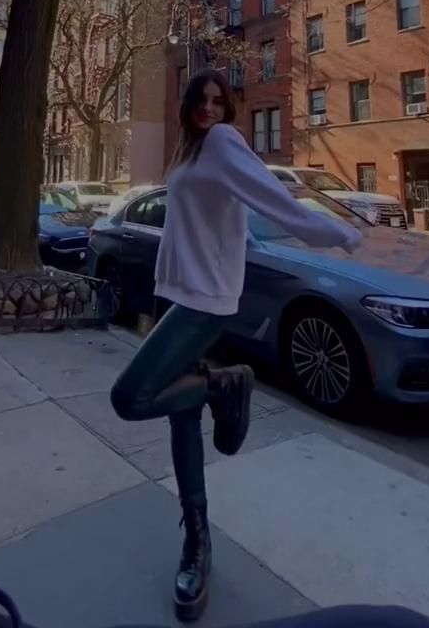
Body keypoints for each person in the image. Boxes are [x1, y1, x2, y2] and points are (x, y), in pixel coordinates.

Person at [110, 70, 364, 622]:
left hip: (204, 301)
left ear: (228, 108)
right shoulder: (191, 150)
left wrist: (341, 232)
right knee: (178, 415)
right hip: (177, 294)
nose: (207, 107)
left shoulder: (224, 142)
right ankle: (197, 542)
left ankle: (223, 382)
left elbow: (274, 198)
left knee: (129, 398)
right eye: (200, 99)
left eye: (217, 100)